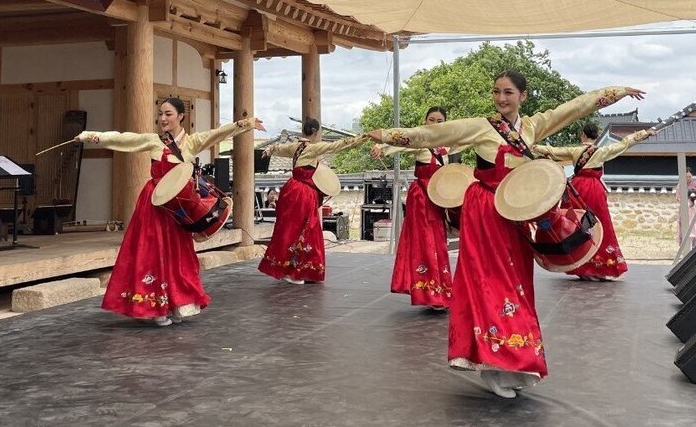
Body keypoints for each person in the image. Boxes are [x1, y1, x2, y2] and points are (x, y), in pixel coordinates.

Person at [368, 71, 645, 398]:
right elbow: (434, 133)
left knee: (517, 285)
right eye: (497, 92)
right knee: (488, 283)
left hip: (516, 214)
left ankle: (514, 355)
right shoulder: (481, 127)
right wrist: (389, 135)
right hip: (485, 212)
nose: (501, 98)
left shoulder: (533, 127)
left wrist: (616, 92)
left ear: (522, 96)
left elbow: (573, 108)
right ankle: (492, 357)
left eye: (508, 92)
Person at [75, 98, 263, 326]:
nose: (163, 118)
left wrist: (247, 123)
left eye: (168, 114)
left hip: (178, 209)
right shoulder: (154, 141)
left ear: (181, 116)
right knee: (152, 252)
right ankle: (155, 308)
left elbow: (218, 133)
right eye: (160, 114)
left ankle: (177, 303)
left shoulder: (192, 142)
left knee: (178, 254)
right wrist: (90, 136)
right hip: (154, 204)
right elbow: (124, 139)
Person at [534, 123, 655, 281]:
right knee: (600, 224)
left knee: (574, 225)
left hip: (576, 188)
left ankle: (579, 264)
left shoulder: (575, 151)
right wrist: (645, 133)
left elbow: (552, 151)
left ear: (583, 135)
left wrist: (533, 146)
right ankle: (602, 265)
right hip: (594, 189)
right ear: (597, 136)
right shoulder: (602, 151)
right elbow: (625, 143)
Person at [258, 118, 367, 284]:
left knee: (289, 229)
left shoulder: (294, 146)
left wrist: (269, 150)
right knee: (306, 229)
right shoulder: (313, 148)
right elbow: (337, 145)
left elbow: (277, 148)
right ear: (315, 132)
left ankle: (296, 270)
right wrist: (360, 139)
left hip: (291, 190)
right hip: (304, 193)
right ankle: (295, 272)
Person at [371, 106, 455, 309]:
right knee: (424, 241)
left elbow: (469, 137)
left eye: (439, 120)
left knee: (438, 242)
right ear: (425, 121)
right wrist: (382, 147)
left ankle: (440, 290)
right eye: (431, 119)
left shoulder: (448, 145)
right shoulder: (419, 140)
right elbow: (401, 143)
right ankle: (428, 292)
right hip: (421, 199)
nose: (435, 123)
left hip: (437, 199)